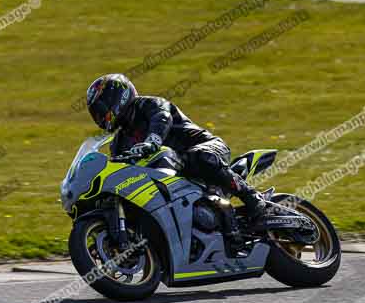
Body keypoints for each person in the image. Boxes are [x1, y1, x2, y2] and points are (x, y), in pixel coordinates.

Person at [85, 73, 269, 234]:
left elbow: (162, 118)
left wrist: (152, 141)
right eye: (97, 114)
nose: (101, 117)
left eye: (102, 110)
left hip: (204, 147)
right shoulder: (118, 142)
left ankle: (253, 198)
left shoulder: (149, 104)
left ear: (119, 97)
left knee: (200, 157)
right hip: (173, 173)